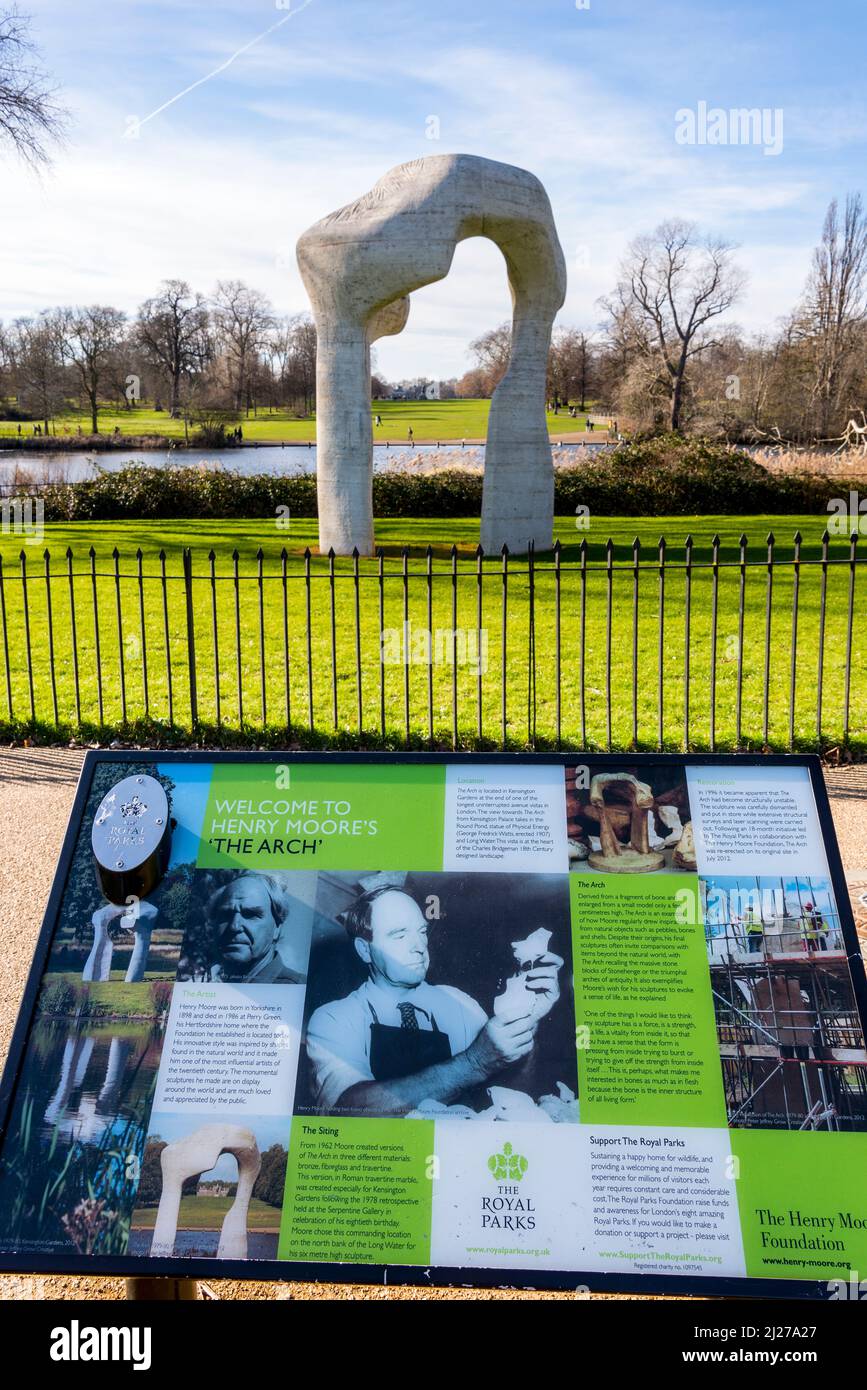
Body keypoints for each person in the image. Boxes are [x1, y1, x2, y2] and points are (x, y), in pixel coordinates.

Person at [305, 885, 563, 1118]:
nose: (419, 945)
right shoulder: (335, 1018)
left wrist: (526, 1020)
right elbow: (349, 1112)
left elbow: (512, 1094)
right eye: (399, 935)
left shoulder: (458, 1002)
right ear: (364, 950)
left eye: (421, 931)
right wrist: (474, 1063)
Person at [206, 870, 303, 983]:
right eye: (226, 915)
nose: (234, 926)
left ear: (277, 927)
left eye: (250, 914)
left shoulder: (297, 987)